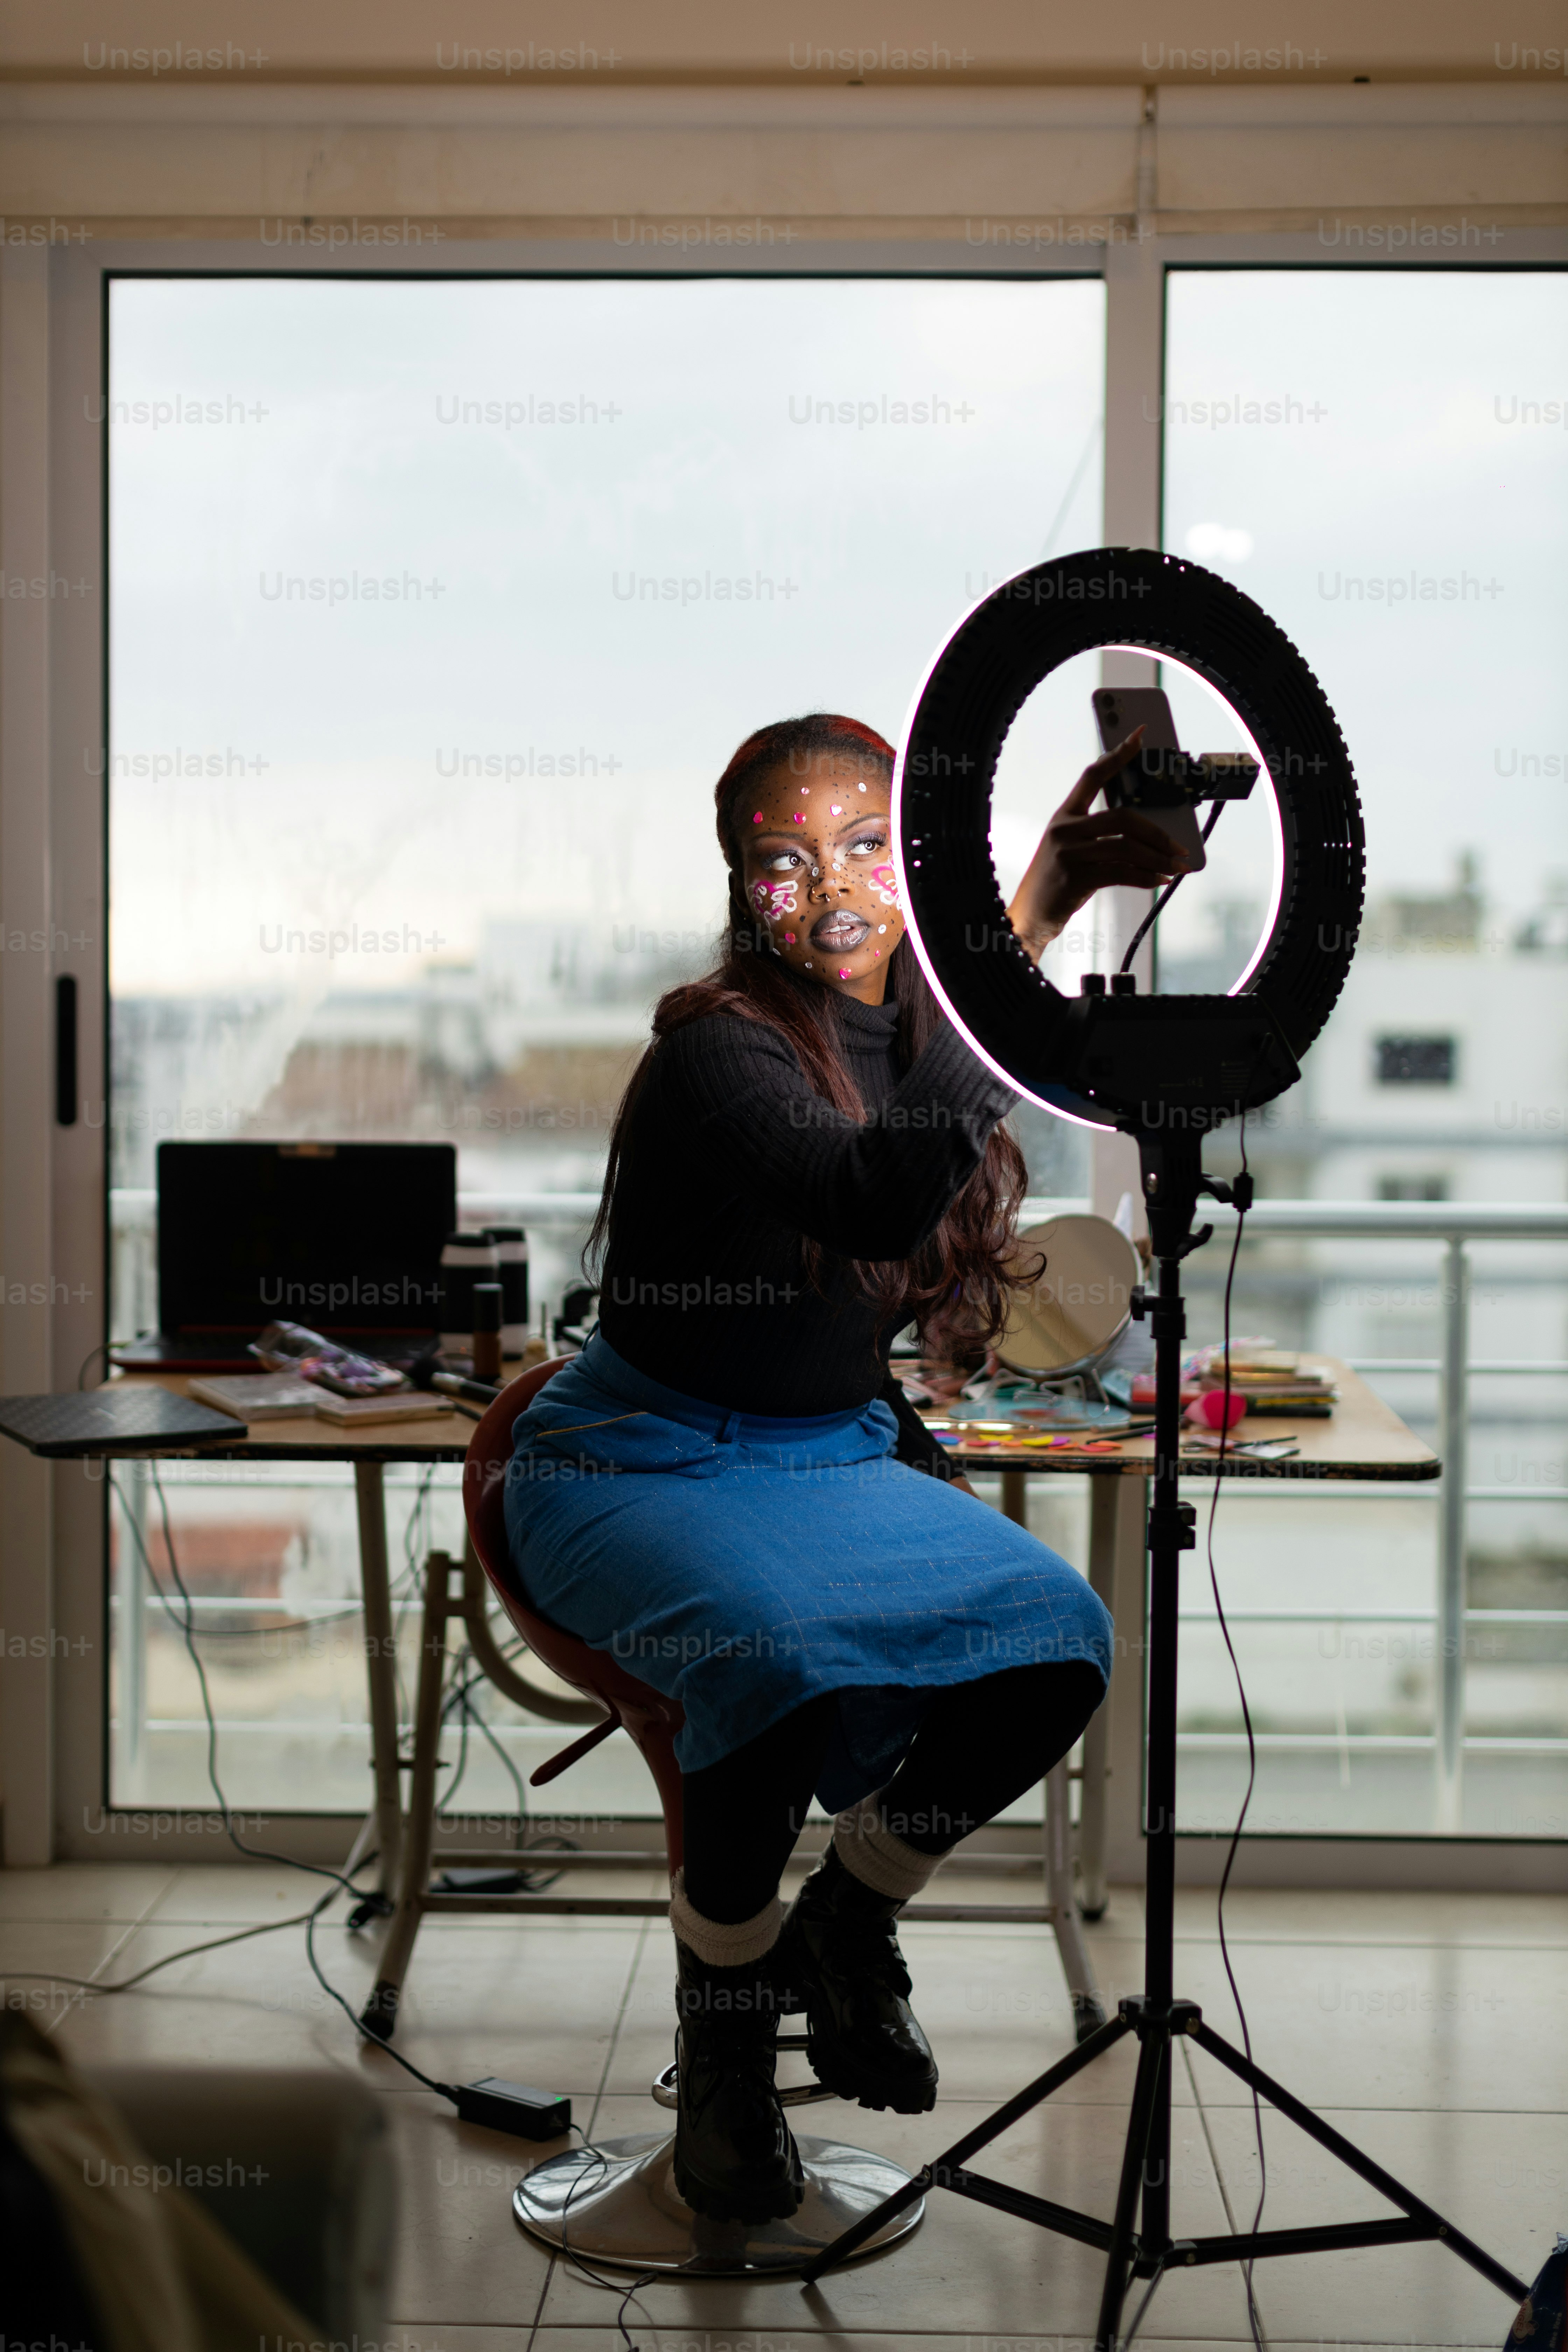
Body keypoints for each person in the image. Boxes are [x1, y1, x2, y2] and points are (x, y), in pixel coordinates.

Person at [502, 710, 1185, 2223]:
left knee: (1061, 1638)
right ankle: (729, 2062)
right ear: (741, 886)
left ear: (912, 855)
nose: (829, 891)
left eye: (866, 847)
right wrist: (1032, 919)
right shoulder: (715, 1052)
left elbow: (910, 1240)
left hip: (822, 1462)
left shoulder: (929, 1033)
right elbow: (867, 1197)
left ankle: (850, 1916)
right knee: (769, 1659)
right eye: (782, 862)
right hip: (633, 1464)